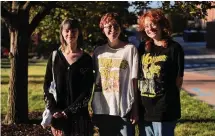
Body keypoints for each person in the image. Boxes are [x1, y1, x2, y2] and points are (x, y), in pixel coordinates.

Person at [90, 12, 139, 136]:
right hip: (103, 108)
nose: (113, 30)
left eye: (116, 26)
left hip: (123, 107)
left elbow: (134, 81)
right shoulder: (98, 52)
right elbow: (94, 80)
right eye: (109, 27)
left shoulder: (130, 50)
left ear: (121, 28)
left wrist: (135, 108)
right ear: (103, 29)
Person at [43, 18, 94, 136]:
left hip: (79, 117)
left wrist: (69, 111)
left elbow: (87, 91)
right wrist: (53, 109)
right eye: (67, 30)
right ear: (62, 32)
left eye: (73, 31)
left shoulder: (86, 59)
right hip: (58, 117)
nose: (70, 34)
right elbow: (47, 85)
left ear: (79, 33)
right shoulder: (55, 57)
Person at [138, 9, 184, 136]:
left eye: (153, 24)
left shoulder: (174, 48)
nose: (150, 28)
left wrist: (166, 101)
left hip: (164, 110)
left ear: (161, 25)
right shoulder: (143, 48)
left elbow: (178, 80)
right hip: (145, 110)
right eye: (146, 26)